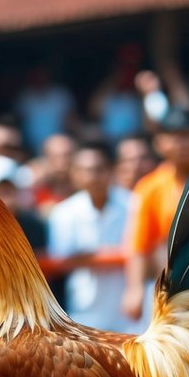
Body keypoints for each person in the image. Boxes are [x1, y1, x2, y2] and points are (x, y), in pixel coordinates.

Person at [122, 107, 189, 323]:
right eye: (174, 136)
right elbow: (139, 244)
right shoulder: (150, 187)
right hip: (168, 295)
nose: (182, 143)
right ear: (160, 142)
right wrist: (134, 289)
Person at [47, 142, 138, 333]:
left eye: (99, 169)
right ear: (75, 174)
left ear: (111, 170)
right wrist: (117, 255)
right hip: (83, 309)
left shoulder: (134, 205)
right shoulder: (63, 212)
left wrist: (88, 257)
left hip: (130, 311)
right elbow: (62, 260)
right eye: (86, 170)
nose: (93, 177)